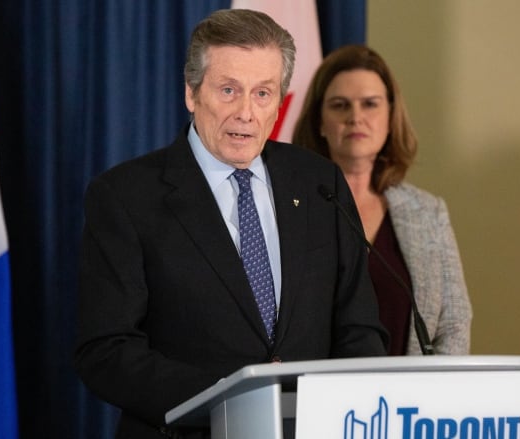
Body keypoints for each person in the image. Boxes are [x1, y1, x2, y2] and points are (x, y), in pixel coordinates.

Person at [73, 10, 387, 438]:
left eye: (263, 93)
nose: (246, 112)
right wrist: (229, 399)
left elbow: (359, 325)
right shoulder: (126, 196)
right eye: (228, 90)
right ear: (191, 93)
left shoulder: (319, 182)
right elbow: (106, 350)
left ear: (281, 100)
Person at [293, 44, 472, 356]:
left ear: (391, 116)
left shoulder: (428, 213)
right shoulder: (290, 209)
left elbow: (454, 324)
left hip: (413, 400)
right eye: (340, 105)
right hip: (320, 398)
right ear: (319, 122)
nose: (355, 117)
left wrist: (431, 396)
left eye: (370, 104)